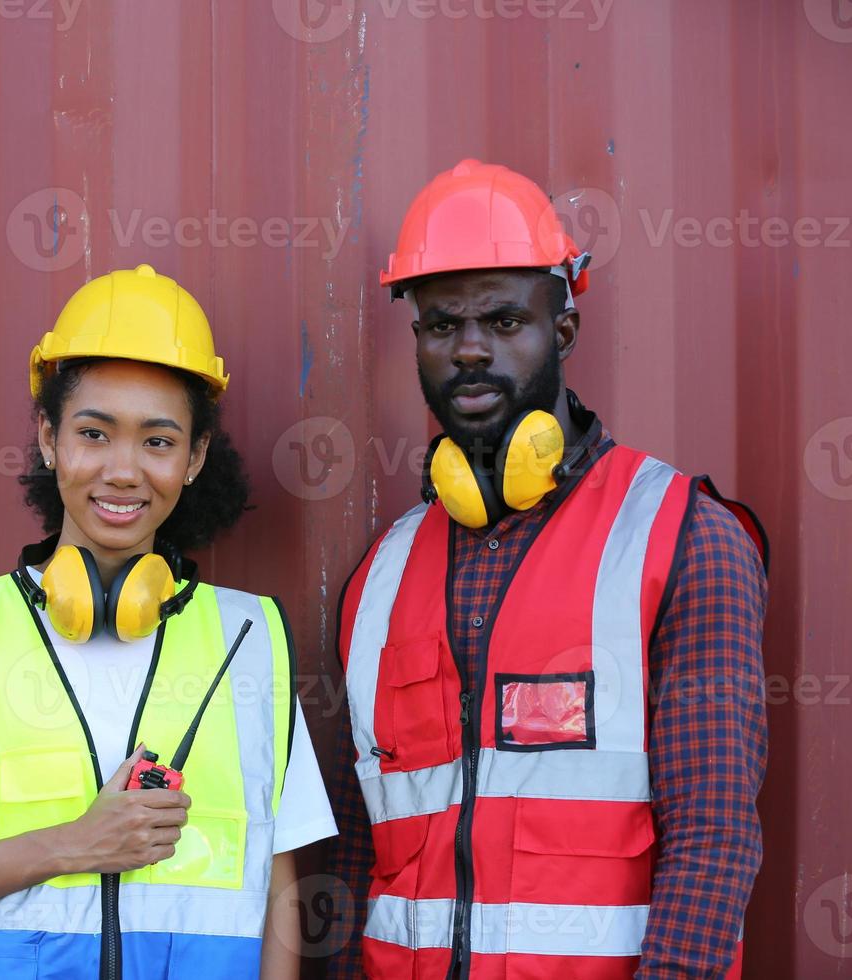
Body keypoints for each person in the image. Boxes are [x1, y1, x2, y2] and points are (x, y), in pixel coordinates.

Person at [325, 160, 769, 979]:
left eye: (503, 320)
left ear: (561, 329)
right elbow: (362, 853)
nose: (468, 350)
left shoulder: (681, 537)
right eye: (440, 325)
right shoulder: (379, 580)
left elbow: (713, 838)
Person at [0, 263, 337, 980]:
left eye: (159, 442)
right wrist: (74, 845)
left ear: (196, 457)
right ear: (49, 440)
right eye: (94, 433)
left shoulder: (248, 640)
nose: (122, 471)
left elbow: (279, 894)